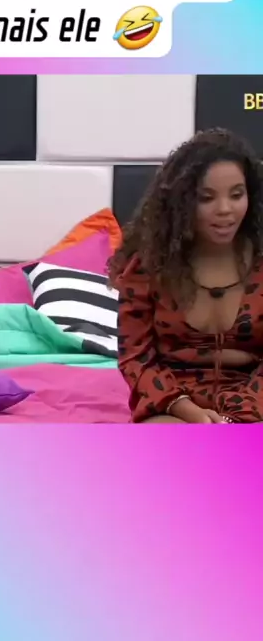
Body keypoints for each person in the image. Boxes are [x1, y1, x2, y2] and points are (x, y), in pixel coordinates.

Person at [108, 127, 263, 424]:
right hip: (174, 405)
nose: (225, 210)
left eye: (236, 195)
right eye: (206, 198)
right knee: (167, 447)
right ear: (183, 202)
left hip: (255, 402)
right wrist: (188, 411)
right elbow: (136, 359)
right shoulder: (148, 267)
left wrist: (238, 418)